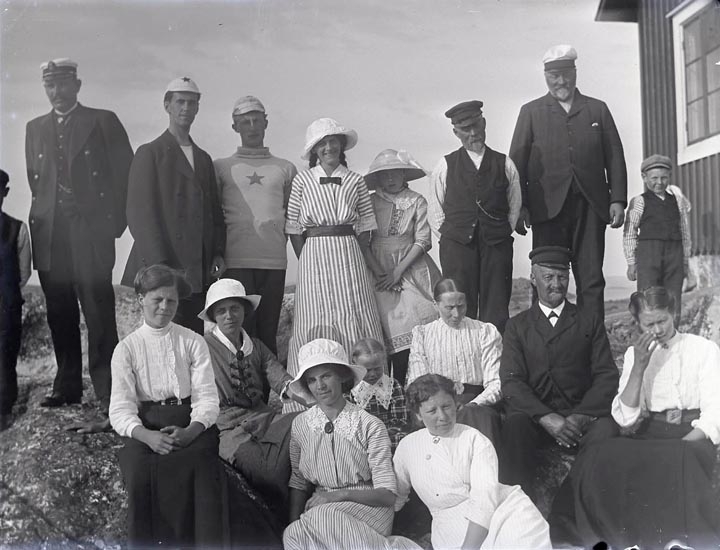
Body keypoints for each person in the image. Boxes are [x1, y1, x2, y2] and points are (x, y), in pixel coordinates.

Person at [554, 287, 720, 548]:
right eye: (649, 324)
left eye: (662, 320)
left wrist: (685, 442)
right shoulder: (635, 355)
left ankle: (676, 540)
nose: (658, 330)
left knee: (679, 457)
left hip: (691, 432)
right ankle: (614, 537)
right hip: (652, 431)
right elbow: (626, 419)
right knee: (601, 452)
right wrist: (639, 367)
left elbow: (715, 410)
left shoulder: (704, 349)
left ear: (673, 314)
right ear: (638, 323)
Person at [25, 58, 133, 414]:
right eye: (50, 85)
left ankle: (108, 390)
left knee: (97, 308)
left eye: (62, 84)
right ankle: (67, 385)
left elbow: (125, 175)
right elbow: (37, 184)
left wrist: (112, 225)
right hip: (51, 231)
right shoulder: (34, 128)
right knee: (59, 310)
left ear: (77, 85)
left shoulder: (102, 121)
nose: (56, 92)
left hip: (90, 229)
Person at [109, 265, 225, 548]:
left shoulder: (193, 341)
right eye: (157, 299)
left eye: (171, 300)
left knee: (201, 465)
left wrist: (191, 432)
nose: (164, 307)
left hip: (189, 422)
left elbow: (207, 398)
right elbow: (120, 409)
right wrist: (147, 436)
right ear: (141, 299)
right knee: (139, 472)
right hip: (147, 425)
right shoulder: (126, 349)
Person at [509, 44, 627, 316]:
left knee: (591, 277)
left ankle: (592, 339)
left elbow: (615, 156)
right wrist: (519, 207)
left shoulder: (597, 109)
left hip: (590, 207)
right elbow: (516, 164)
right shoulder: (531, 112)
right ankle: (546, 338)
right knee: (547, 277)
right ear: (545, 76)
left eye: (566, 74)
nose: (561, 81)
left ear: (575, 73)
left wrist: (618, 200)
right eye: (554, 76)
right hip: (546, 210)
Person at [499, 246, 619, 506]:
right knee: (514, 427)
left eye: (562, 277)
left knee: (607, 431)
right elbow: (511, 382)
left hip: (579, 417)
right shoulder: (517, 326)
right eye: (548, 277)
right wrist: (545, 417)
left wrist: (581, 416)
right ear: (533, 278)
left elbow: (606, 375)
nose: (556, 284)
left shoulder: (588, 320)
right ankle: (517, 512)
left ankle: (582, 511)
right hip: (536, 418)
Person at [284, 118, 383, 411]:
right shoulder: (302, 180)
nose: (329, 147)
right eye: (323, 143)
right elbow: (293, 228)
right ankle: (309, 399)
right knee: (313, 316)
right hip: (314, 253)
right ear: (314, 149)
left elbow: (366, 228)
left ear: (342, 145)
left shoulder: (356, 181)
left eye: (334, 141)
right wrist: (307, 258)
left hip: (348, 253)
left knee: (355, 312)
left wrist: (356, 255)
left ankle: (365, 396)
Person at [282, 338, 419, 550]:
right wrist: (294, 523)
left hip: (368, 507)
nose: (320, 386)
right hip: (322, 509)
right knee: (292, 535)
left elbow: (387, 495)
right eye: (312, 380)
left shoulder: (369, 424)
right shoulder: (301, 425)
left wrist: (339, 495)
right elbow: (299, 482)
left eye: (326, 376)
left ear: (341, 376)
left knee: (324, 517)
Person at [394, 374, 551, 550]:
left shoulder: (475, 440)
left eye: (447, 406)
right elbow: (397, 496)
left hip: (502, 513)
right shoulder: (407, 447)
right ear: (418, 415)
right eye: (432, 411)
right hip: (449, 529)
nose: (443, 416)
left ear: (456, 404)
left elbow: (484, 500)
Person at [122, 77, 225, 334]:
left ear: (198, 108)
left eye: (192, 103)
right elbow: (139, 215)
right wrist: (161, 267)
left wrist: (217, 252)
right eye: (180, 102)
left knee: (191, 338)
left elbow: (214, 212)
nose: (186, 108)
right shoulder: (150, 153)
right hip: (163, 267)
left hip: (197, 269)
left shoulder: (203, 158)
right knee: (162, 338)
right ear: (167, 105)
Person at [199, 277, 307, 519]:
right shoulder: (202, 347)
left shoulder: (256, 346)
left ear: (245, 311)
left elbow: (282, 380)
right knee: (268, 471)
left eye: (235, 308)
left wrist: (315, 404)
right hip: (229, 429)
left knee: (307, 424)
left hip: (266, 419)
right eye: (221, 310)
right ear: (213, 315)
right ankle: (287, 518)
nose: (229, 316)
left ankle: (304, 511)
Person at [213, 96, 297, 354]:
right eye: (245, 122)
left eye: (256, 121)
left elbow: (292, 216)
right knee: (240, 332)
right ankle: (239, 381)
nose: (252, 127)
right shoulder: (221, 167)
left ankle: (266, 381)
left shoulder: (286, 168)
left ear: (266, 123)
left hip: (273, 262)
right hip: (235, 261)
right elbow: (214, 215)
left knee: (268, 331)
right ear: (234, 127)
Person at [428, 101, 521, 334]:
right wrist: (455, 237)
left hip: (496, 246)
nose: (473, 133)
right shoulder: (445, 165)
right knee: (458, 306)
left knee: (496, 307)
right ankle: (461, 354)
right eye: (465, 129)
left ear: (484, 123)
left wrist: (498, 231)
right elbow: (435, 211)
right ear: (456, 133)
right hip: (457, 248)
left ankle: (494, 355)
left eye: (476, 126)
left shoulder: (505, 163)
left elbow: (514, 206)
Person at [363, 149, 441, 384]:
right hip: (378, 266)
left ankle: (419, 383)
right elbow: (363, 241)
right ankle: (392, 389)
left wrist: (398, 272)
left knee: (418, 317)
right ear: (377, 178)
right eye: (384, 174)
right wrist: (382, 274)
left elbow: (423, 240)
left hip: (411, 264)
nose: (390, 179)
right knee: (389, 324)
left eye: (395, 173)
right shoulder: (370, 201)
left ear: (404, 174)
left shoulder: (417, 200)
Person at [406, 278, 502, 447]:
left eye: (461, 306)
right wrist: (442, 405)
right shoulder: (423, 334)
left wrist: (474, 403)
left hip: (476, 403)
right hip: (436, 402)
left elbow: (496, 382)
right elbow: (418, 382)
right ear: (435, 305)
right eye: (449, 308)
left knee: (480, 418)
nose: (456, 314)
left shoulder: (484, 331)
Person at [623, 154, 694, 326]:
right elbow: (630, 232)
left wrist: (685, 261)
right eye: (654, 178)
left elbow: (685, 232)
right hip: (649, 255)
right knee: (648, 297)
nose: (659, 182)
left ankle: (672, 335)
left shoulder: (678, 201)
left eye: (664, 178)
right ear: (644, 177)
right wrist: (631, 262)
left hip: (674, 255)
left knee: (673, 298)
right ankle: (649, 336)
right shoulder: (639, 201)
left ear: (669, 177)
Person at [0, 170, 31, 431]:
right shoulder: (17, 228)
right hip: (7, 303)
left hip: (7, 308)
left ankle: (4, 413)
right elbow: (23, 274)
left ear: (5, 193)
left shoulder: (18, 228)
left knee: (5, 359)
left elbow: (24, 273)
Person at [348, 338, 412, 451]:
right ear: (355, 364)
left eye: (377, 368)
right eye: (367, 370)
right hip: (362, 439)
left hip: (390, 437)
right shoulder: (351, 390)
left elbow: (401, 420)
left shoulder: (393, 386)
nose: (373, 374)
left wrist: (381, 438)